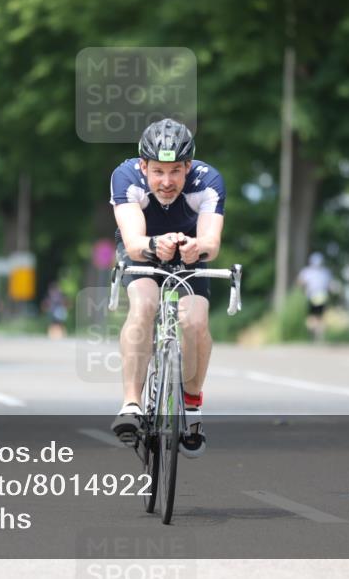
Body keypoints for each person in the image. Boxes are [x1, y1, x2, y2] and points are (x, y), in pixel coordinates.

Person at [108, 118, 226, 458]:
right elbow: (132, 243)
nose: (167, 181)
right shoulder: (125, 177)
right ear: (143, 165)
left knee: (195, 322)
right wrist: (155, 243)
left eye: (176, 171)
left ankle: (191, 403)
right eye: (158, 171)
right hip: (144, 249)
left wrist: (196, 247)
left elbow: (212, 242)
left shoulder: (208, 181)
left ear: (188, 166)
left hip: (188, 253)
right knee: (144, 305)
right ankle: (131, 403)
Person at [297, 253, 331, 342]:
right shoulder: (324, 272)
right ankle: (318, 336)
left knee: (314, 317)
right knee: (318, 317)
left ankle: (316, 335)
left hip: (315, 296)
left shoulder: (308, 272)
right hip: (318, 296)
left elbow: (300, 282)